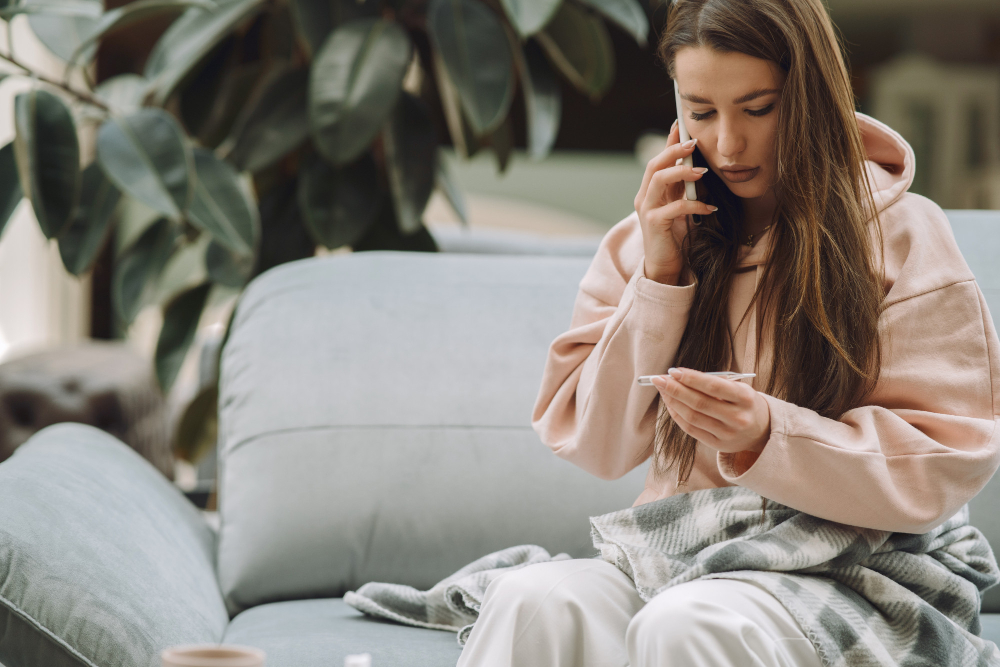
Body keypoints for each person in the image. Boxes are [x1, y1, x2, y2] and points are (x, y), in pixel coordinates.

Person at [455, 0, 1000, 665]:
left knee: (688, 622)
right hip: (686, 554)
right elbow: (593, 444)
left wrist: (767, 435)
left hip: (853, 568)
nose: (729, 144)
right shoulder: (649, 241)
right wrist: (659, 279)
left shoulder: (903, 235)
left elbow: (942, 462)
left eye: (758, 108)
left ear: (809, 96)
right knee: (530, 601)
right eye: (701, 111)